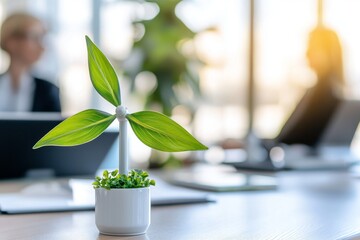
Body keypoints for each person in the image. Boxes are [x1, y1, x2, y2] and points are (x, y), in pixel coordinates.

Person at [276, 26, 344, 146]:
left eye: (313, 48)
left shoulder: (325, 95)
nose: (307, 53)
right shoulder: (317, 92)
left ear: (329, 53)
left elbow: (291, 138)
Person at [0, 12, 61, 112]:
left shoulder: (49, 91)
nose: (42, 47)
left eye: (41, 38)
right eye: (34, 37)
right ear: (11, 42)